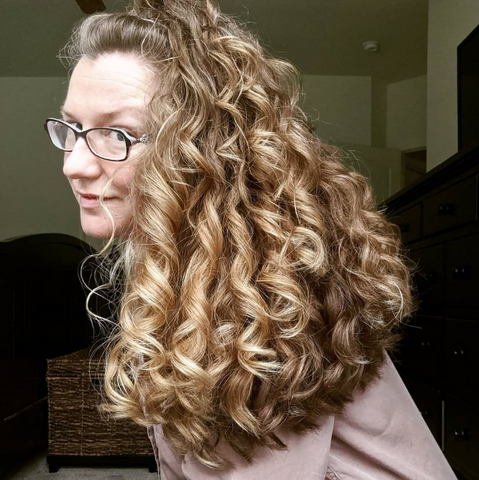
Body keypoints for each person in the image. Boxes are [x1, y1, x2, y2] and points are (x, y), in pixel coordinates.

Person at [44, 0, 457, 478]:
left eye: (117, 133)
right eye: (73, 127)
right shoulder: (192, 261)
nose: (73, 163)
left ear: (206, 152)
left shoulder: (258, 297)